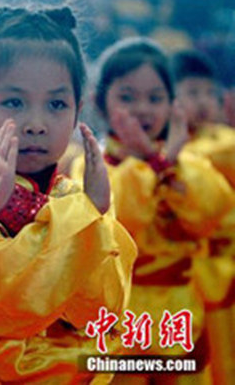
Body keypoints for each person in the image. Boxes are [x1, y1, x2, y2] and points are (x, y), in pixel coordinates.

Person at [0, 6, 137, 383]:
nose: (36, 125)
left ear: (77, 112)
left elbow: (106, 309)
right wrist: (74, 221)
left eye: (56, 104)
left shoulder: (77, 199)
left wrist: (96, 213)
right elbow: (5, 302)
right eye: (14, 103)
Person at [92, 39, 235, 381]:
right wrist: (157, 164)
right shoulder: (91, 164)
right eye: (127, 98)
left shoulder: (190, 161)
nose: (143, 109)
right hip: (120, 317)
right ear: (101, 104)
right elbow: (122, 218)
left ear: (172, 105)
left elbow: (211, 213)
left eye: (155, 99)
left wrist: (165, 164)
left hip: (180, 312)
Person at [171, 49, 235, 383]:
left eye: (210, 93)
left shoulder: (222, 143)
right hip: (190, 276)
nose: (204, 102)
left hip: (226, 266)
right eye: (193, 92)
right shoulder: (166, 149)